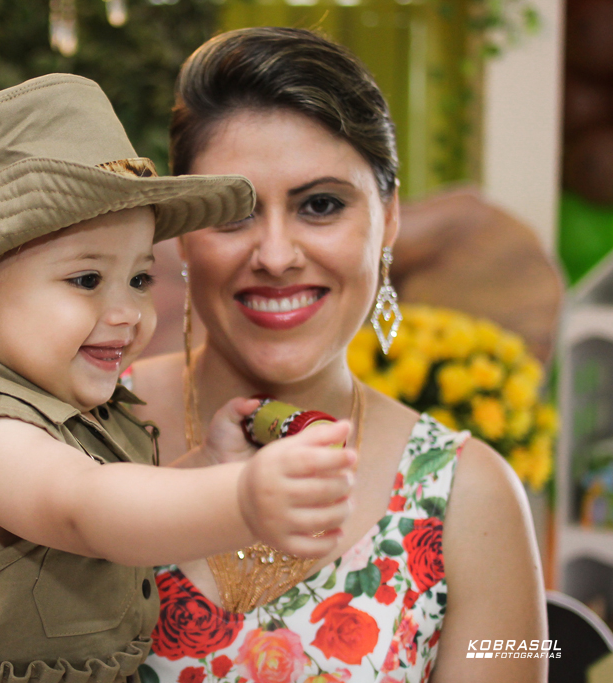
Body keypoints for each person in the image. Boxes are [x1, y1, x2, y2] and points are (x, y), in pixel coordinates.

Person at [0, 73, 359, 683]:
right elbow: (89, 509)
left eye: (138, 279)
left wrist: (209, 466)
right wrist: (242, 500)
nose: (126, 314)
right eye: (86, 280)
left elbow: (126, 496)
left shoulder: (72, 414)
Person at [132, 28, 547, 683]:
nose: (274, 255)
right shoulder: (79, 431)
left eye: (319, 205)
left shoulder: (469, 498)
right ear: (182, 233)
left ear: (390, 217)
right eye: (233, 212)